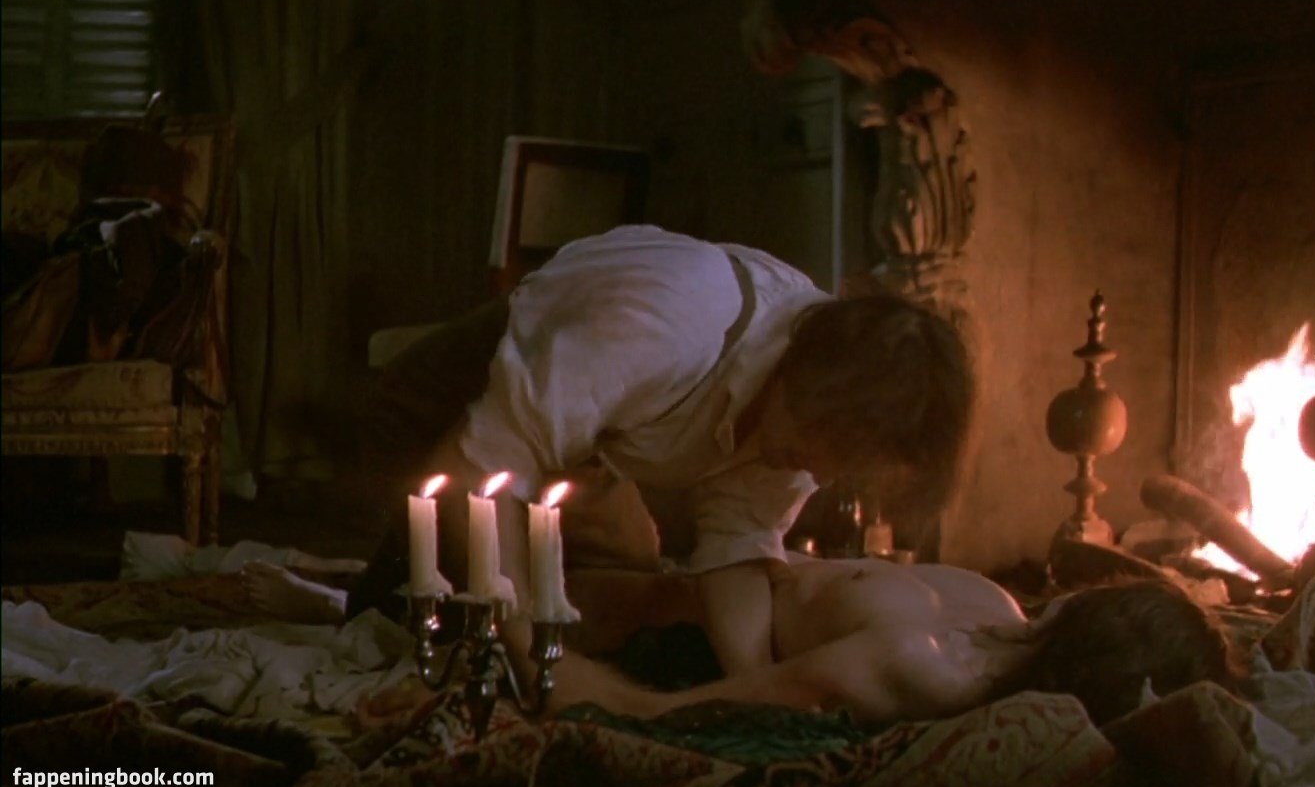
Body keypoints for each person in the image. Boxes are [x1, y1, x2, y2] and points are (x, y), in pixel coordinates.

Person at [248, 225, 975, 678]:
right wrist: (534, 660)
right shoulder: (670, 324)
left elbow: (738, 541)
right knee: (444, 624)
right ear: (810, 384)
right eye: (831, 446)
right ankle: (343, 595)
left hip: (587, 442)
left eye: (848, 460)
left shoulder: (813, 404)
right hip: (450, 411)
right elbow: (480, 471)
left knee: (621, 586)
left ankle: (365, 589)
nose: (823, 470)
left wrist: (754, 684)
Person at [531, 558, 1245, 727]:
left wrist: (527, 646)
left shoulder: (926, 669)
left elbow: (693, 706)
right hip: (706, 566)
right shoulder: (992, 603)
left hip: (662, 626)